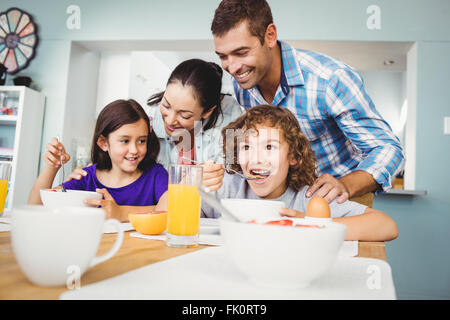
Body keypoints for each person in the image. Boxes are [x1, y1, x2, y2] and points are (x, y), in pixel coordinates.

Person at [210, 0, 405, 206]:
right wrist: (221, 169)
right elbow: (247, 140)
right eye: (223, 56)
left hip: (340, 197)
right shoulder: (243, 85)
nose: (232, 68)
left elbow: (387, 148)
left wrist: (345, 185)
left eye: (241, 53)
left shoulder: (330, 79)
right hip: (287, 199)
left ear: (270, 36)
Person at [202, 105, 398, 241]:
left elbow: (386, 226)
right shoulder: (225, 187)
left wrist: (310, 224)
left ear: (293, 157)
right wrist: (189, 184)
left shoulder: (309, 199)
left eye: (269, 147)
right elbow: (171, 214)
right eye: (246, 147)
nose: (256, 158)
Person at [28, 99, 169, 222]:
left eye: (141, 141)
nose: (134, 150)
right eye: (125, 141)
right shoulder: (86, 177)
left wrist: (121, 212)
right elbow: (36, 208)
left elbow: (171, 212)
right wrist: (52, 167)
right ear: (103, 143)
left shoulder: (156, 175)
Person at [146, 58, 243, 191]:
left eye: (184, 115)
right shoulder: (151, 115)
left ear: (207, 111)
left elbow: (232, 174)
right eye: (166, 105)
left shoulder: (232, 116)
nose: (170, 120)